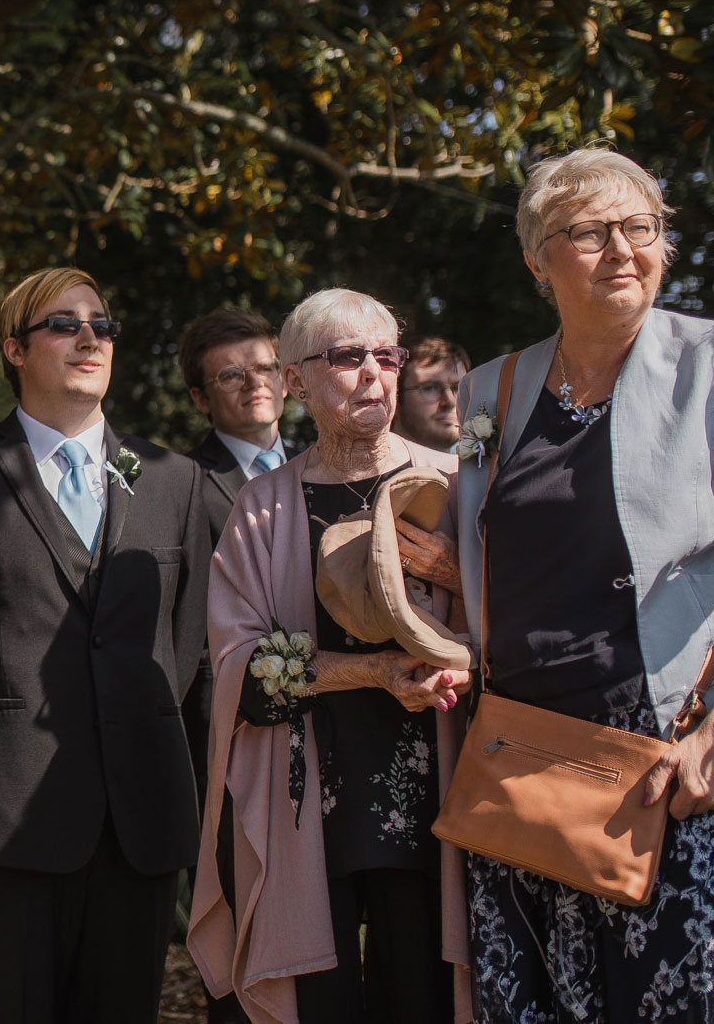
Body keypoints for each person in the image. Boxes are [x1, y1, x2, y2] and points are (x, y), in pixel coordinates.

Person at [451, 148, 714, 1022]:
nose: (624, 249)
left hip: (673, 757)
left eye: (642, 228)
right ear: (537, 259)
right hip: (523, 767)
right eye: (590, 232)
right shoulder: (491, 388)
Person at [0, 267, 212, 1022]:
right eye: (65, 324)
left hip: (140, 811)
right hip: (6, 807)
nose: (91, 338)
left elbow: (187, 638)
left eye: (101, 325)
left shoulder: (173, 480)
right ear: (14, 347)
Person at [189, 288, 471, 1024]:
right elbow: (241, 672)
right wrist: (373, 672)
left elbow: (520, 624)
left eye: (388, 355)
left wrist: (458, 580)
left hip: (440, 795)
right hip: (311, 804)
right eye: (348, 357)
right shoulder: (262, 508)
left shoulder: (458, 485)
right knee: (326, 1004)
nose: (374, 373)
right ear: (296, 380)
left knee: (425, 999)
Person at [181, 307, 290, 540]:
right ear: (201, 399)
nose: (253, 382)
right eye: (230, 375)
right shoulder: (184, 483)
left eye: (265, 368)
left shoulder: (319, 466)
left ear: (284, 379)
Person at [391, 336, 469, 453]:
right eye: (430, 388)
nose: (450, 402)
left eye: (458, 388)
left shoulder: (486, 468)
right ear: (394, 399)